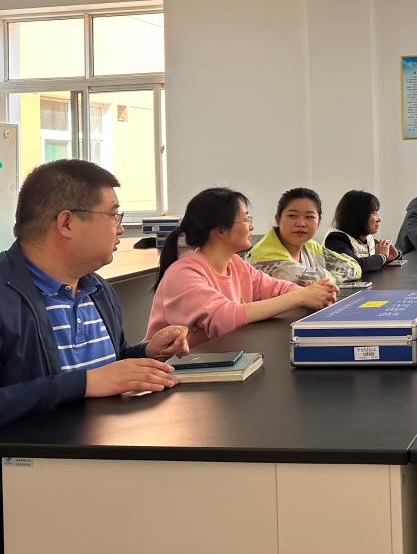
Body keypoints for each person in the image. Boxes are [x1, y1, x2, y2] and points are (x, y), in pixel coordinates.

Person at [0, 160, 189, 428]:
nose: (120, 229)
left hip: (109, 442)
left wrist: (148, 353)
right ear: (66, 223)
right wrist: (83, 383)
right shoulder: (5, 295)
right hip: (43, 453)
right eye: (113, 216)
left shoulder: (97, 289)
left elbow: (107, 370)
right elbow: (90, 382)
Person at [147, 187, 338, 348]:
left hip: (220, 361)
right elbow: (223, 317)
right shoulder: (183, 273)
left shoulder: (236, 264)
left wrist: (311, 294)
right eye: (246, 219)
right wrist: (301, 297)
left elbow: (278, 288)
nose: (251, 226)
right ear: (221, 229)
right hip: (169, 372)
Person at [247, 187, 361, 285]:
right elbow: (310, 281)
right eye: (292, 215)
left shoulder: (309, 245)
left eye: (309, 217)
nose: (301, 223)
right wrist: (327, 276)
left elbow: (352, 265)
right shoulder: (264, 255)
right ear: (278, 219)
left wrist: (329, 277)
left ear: (318, 222)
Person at [325, 190, 401, 273]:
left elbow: (386, 254)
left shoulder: (367, 239)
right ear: (357, 216)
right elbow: (355, 266)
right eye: (374, 213)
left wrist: (396, 255)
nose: (379, 219)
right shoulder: (335, 239)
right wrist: (382, 256)